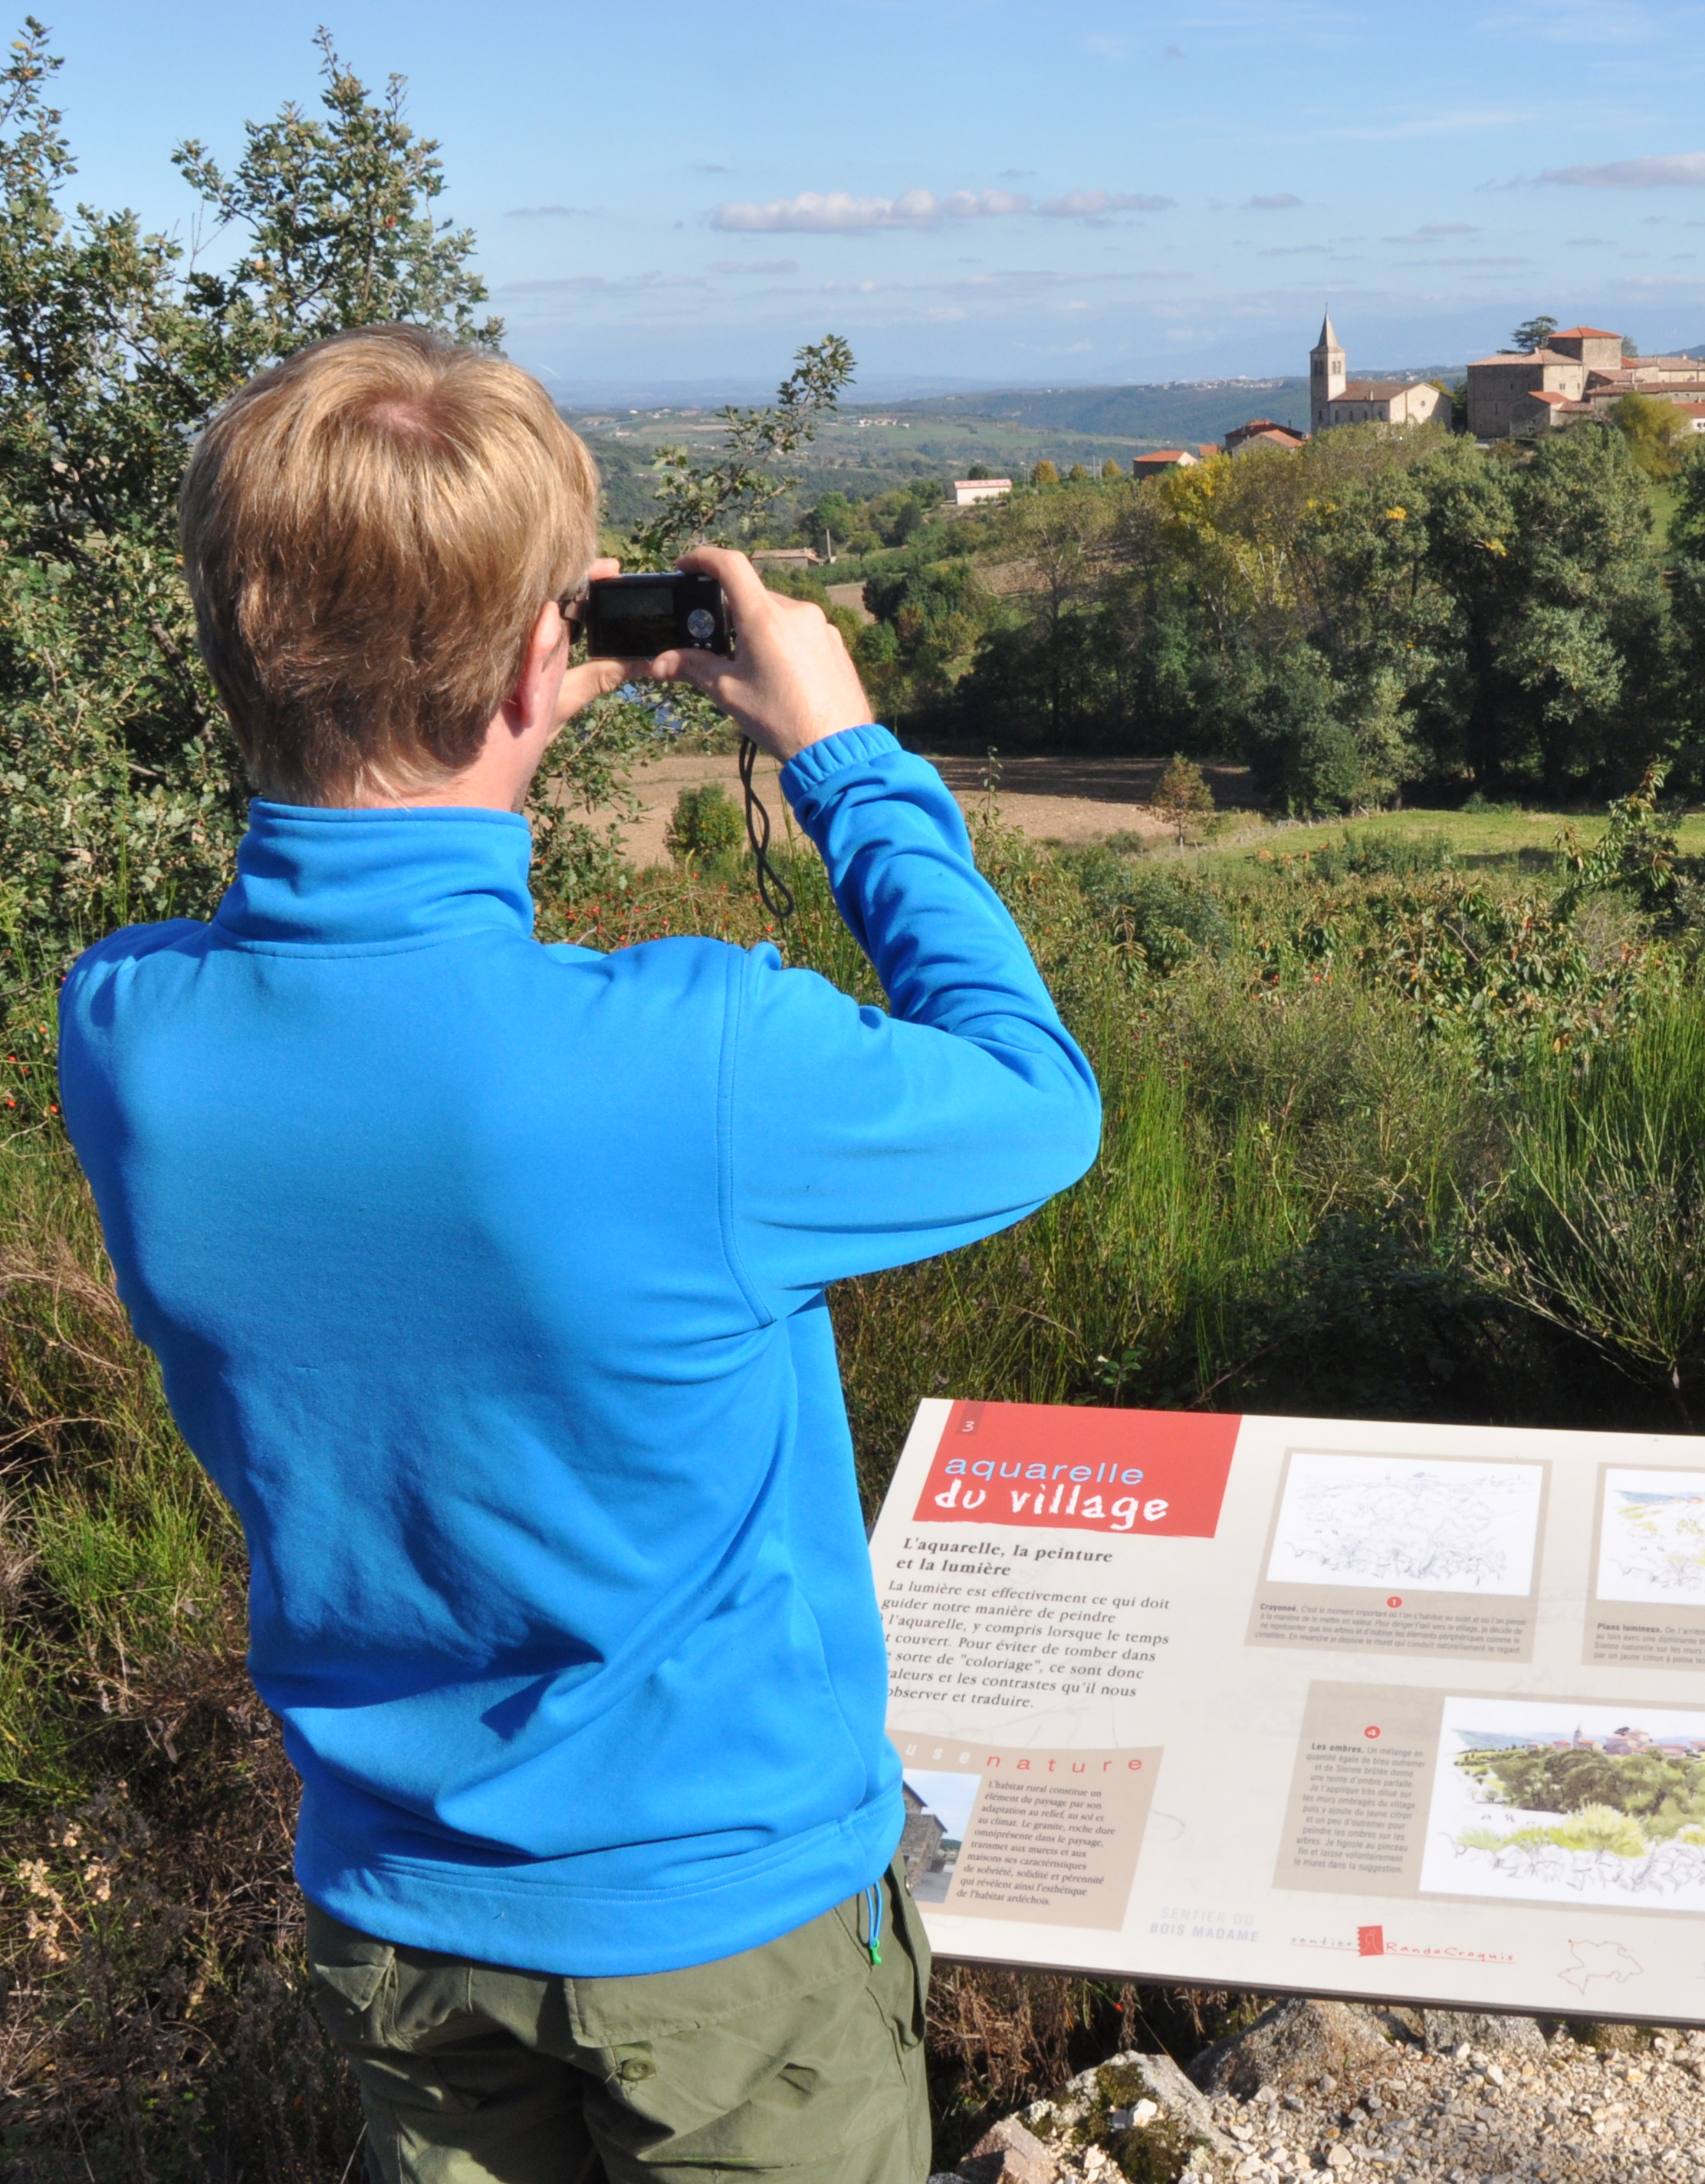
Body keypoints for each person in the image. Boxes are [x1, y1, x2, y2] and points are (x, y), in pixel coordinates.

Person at [57, 324, 1102, 2182]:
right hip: (727, 1940)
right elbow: (1038, 1097)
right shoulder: (691, 1058)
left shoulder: (129, 1029)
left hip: (402, 1922)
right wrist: (843, 757)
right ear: (559, 653)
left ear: (231, 647)